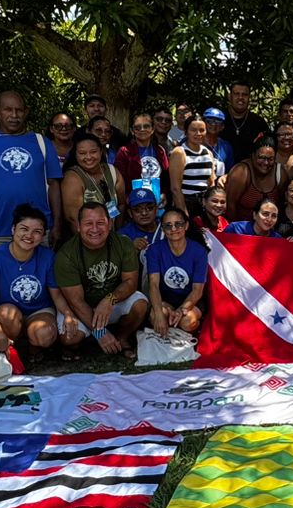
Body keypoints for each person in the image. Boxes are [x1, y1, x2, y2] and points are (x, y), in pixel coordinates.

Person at [0, 204, 81, 360]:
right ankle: (11, 347)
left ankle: (33, 348)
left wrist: (68, 314)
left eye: (37, 232)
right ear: (13, 230)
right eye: (24, 229)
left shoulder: (48, 257)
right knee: (6, 314)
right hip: (8, 312)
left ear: (43, 236)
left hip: (39, 310)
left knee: (44, 334)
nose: (29, 235)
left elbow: (56, 294)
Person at [54, 201, 150, 358]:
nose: (95, 229)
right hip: (82, 307)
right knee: (70, 339)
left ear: (110, 224)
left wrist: (109, 300)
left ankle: (121, 338)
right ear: (78, 226)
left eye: (100, 223)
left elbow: (131, 282)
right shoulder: (66, 255)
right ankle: (96, 338)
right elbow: (76, 301)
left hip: (111, 303)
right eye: (88, 224)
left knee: (140, 304)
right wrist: (100, 332)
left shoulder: (123, 243)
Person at [0, 91, 63, 255]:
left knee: (38, 271)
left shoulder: (41, 142)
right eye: (8, 110)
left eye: (19, 110)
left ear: (26, 112)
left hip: (38, 228)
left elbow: (54, 184)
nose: (14, 115)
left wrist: (57, 224)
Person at [145, 206, 209, 337]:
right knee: (155, 316)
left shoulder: (199, 251)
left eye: (178, 224)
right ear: (163, 229)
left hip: (192, 300)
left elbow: (197, 290)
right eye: (168, 226)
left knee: (187, 322)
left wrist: (181, 310)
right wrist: (158, 313)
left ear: (186, 226)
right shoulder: (154, 250)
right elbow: (153, 284)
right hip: (166, 299)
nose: (173, 229)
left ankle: (189, 331)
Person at [60, 132, 127, 236]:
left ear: (101, 151)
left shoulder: (112, 171)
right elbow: (73, 219)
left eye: (93, 152)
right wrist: (92, 241)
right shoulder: (72, 178)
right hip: (89, 238)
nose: (88, 157)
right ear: (75, 155)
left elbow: (122, 204)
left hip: (113, 236)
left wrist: (118, 234)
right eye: (82, 153)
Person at [167, 116, 222, 217]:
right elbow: (175, 189)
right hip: (186, 203)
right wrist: (184, 215)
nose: (198, 134)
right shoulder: (179, 152)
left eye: (202, 130)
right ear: (186, 132)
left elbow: (211, 183)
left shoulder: (208, 153)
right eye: (193, 130)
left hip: (204, 204)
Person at [225, 138, 287, 221]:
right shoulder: (241, 172)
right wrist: (235, 227)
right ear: (253, 155)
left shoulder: (280, 173)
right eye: (261, 157)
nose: (266, 163)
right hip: (242, 226)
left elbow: (283, 204)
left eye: (270, 159)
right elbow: (230, 205)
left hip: (270, 226)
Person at [114, 113, 171, 203]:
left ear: (152, 129)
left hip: (157, 200)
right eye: (137, 127)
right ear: (132, 131)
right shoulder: (124, 151)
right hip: (134, 202)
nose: (142, 129)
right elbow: (119, 180)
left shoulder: (160, 150)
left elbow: (165, 177)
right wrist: (127, 199)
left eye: (146, 126)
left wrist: (164, 193)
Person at [223, 81, 271, 163]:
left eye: (244, 94)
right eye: (236, 94)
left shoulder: (259, 122)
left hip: (251, 168)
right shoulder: (220, 119)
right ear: (229, 96)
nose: (240, 97)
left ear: (249, 98)